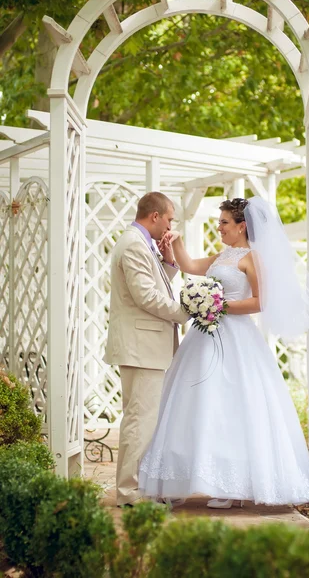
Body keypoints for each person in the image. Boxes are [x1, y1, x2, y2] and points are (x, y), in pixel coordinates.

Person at [138, 196, 309, 508]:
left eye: (224, 222)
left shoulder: (252, 258)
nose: (219, 227)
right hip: (205, 336)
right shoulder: (223, 256)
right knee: (194, 404)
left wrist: (220, 306)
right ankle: (183, 478)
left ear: (241, 226)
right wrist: (176, 244)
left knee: (232, 407)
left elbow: (261, 301)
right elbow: (190, 266)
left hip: (237, 338)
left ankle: (231, 487)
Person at [103, 191, 189, 507]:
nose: (169, 227)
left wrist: (168, 261)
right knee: (139, 420)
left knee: (144, 419)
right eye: (169, 220)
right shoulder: (133, 244)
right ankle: (129, 492)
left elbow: (154, 285)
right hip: (142, 347)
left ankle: (138, 487)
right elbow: (145, 297)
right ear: (155, 216)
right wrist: (185, 312)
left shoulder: (143, 243)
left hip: (147, 346)